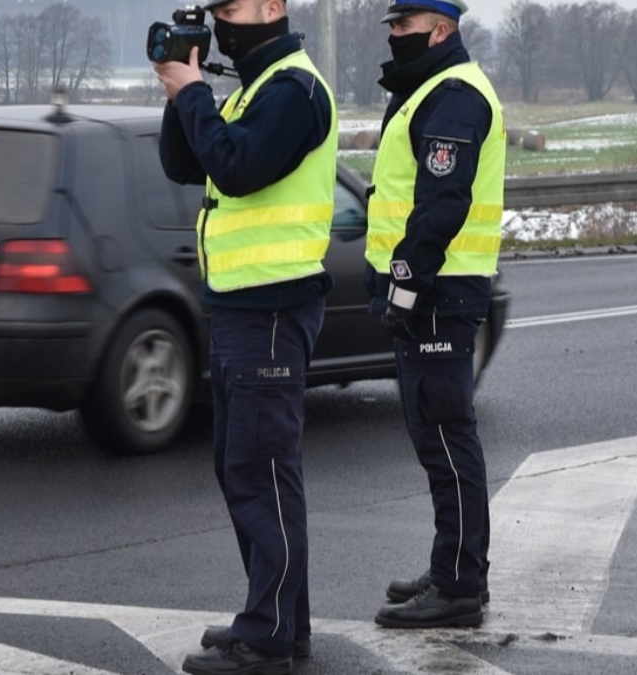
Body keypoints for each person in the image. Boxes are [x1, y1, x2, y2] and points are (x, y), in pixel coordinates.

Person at [154, 0, 337, 672]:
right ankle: (280, 621)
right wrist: (183, 95)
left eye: (230, 7)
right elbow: (187, 164)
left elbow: (237, 167)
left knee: (260, 473)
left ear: (273, 7)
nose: (222, 19)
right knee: (244, 469)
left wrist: (198, 94)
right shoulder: (251, 91)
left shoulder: (294, 89)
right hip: (238, 306)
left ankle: (267, 638)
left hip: (271, 308)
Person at [363, 0, 505, 629]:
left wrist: (404, 283)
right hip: (431, 290)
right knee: (435, 437)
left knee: (448, 437)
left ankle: (459, 587)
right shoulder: (428, 89)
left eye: (404, 25)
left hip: (439, 291)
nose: (395, 35)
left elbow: (442, 202)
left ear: (440, 29)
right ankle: (452, 565)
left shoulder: (453, 94)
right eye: (393, 25)